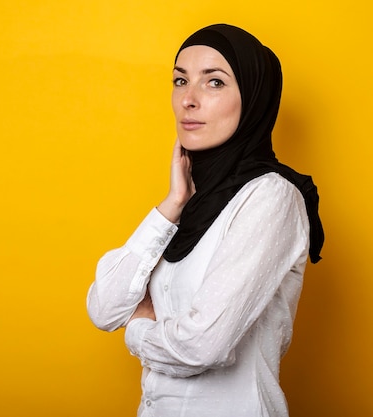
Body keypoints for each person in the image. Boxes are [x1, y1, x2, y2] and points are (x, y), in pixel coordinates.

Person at [86, 24, 324, 417]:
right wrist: (171, 205)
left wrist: (139, 329)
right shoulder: (189, 203)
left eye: (214, 82)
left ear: (252, 99)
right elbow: (104, 307)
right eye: (181, 80)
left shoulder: (272, 198)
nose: (188, 100)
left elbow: (202, 346)